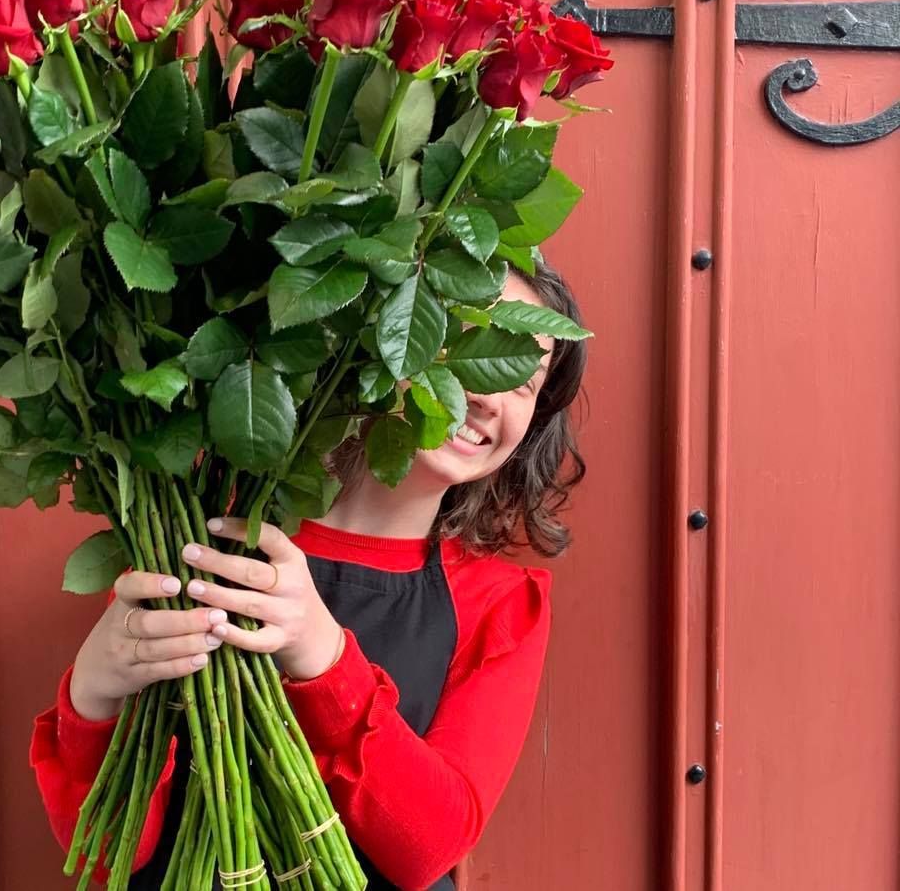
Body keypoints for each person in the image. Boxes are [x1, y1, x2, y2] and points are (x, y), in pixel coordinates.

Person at [30, 261, 588, 891]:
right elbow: (105, 854)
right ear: (377, 340)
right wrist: (93, 696)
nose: (487, 394)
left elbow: (430, 847)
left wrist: (324, 661)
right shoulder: (202, 539)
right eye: (465, 343)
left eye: (523, 381)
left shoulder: (500, 605)